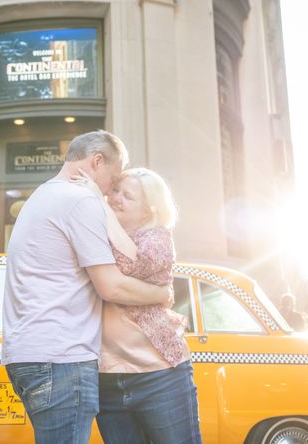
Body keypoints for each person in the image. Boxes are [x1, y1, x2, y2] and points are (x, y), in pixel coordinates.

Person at [1, 131, 173, 444]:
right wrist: (162, 294)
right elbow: (111, 287)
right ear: (96, 161)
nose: (111, 191)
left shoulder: (42, 195)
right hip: (61, 359)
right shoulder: (81, 200)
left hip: (27, 355)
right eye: (114, 177)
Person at [72, 167, 201, 444]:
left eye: (127, 196)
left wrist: (99, 202)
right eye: (115, 190)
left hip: (160, 376)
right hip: (106, 377)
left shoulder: (157, 238)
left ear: (147, 211)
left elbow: (131, 264)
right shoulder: (99, 234)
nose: (115, 198)